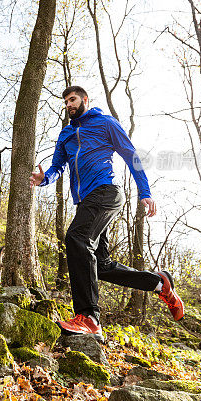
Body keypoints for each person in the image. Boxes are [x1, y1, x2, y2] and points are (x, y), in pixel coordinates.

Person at [30, 85, 184, 340]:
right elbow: (57, 167)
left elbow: (131, 154)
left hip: (106, 192)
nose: (69, 104)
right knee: (100, 265)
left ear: (84, 100)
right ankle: (158, 283)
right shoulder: (66, 134)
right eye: (66, 101)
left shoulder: (104, 123)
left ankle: (89, 318)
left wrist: (145, 192)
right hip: (85, 201)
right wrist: (44, 178)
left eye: (73, 99)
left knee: (77, 239)